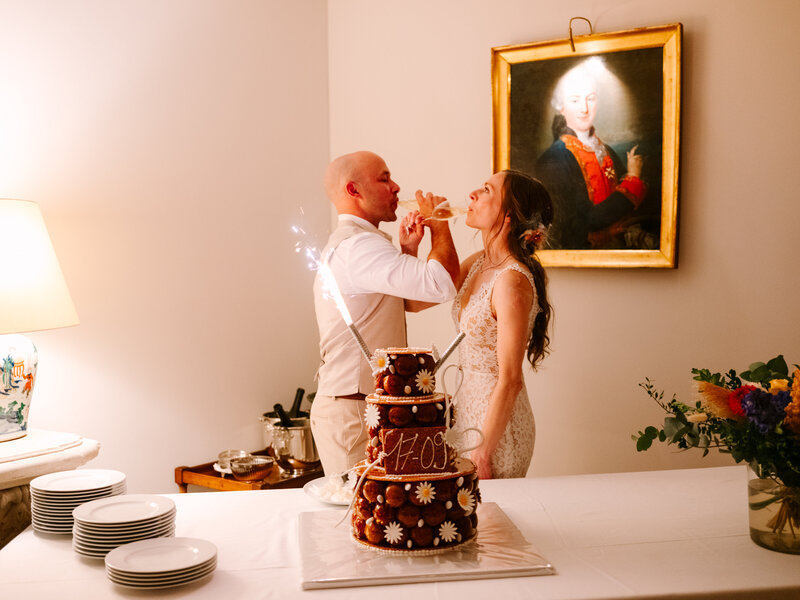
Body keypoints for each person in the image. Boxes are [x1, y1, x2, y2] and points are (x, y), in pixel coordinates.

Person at [311, 151, 459, 476]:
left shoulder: (361, 245)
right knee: (361, 518)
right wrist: (439, 224)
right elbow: (442, 284)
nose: (396, 187)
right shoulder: (359, 247)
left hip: (364, 407)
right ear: (354, 191)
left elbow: (414, 302)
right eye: (384, 178)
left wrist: (408, 253)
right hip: (353, 413)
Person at [452, 170, 553, 479]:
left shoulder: (512, 281)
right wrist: (422, 238)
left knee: (492, 523)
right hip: (465, 413)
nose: (472, 194)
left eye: (485, 190)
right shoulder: (477, 263)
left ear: (509, 215)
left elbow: (510, 379)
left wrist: (483, 451)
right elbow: (416, 302)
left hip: (496, 429)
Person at [535, 61, 647, 249]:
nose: (584, 109)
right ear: (562, 108)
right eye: (575, 100)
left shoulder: (607, 151)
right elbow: (585, 221)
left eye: (591, 98)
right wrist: (633, 180)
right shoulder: (554, 159)